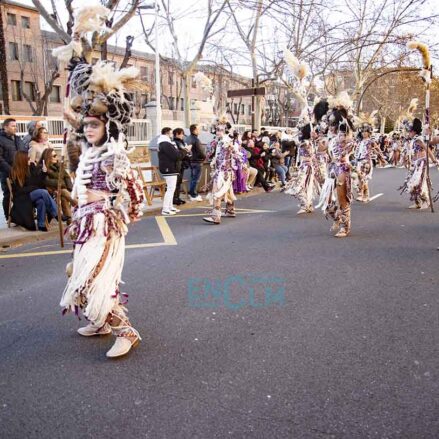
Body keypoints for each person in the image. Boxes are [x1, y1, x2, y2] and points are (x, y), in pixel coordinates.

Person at [58, 53, 145, 359]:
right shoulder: (89, 151)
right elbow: (73, 125)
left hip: (102, 225)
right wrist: (76, 74)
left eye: (94, 124)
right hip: (85, 223)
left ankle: (126, 331)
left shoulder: (112, 154)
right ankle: (100, 321)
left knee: (93, 279)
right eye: (87, 125)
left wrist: (124, 212)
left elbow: (135, 189)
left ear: (108, 127)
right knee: (76, 273)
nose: (88, 129)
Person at [317, 93, 357, 238]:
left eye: (333, 123)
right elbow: (322, 152)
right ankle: (337, 218)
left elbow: (352, 144)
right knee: (327, 201)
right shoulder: (329, 138)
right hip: (331, 170)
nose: (330, 126)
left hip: (342, 168)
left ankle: (345, 227)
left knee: (342, 199)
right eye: (329, 123)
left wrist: (345, 146)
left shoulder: (344, 135)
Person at [9, 151, 57, 231]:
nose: (30, 160)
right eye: (28, 159)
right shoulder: (14, 172)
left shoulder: (29, 169)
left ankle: (41, 224)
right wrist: (33, 188)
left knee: (41, 201)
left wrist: (43, 172)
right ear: (22, 160)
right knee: (43, 192)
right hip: (21, 197)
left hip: (30, 194)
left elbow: (37, 183)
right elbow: (19, 190)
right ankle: (56, 214)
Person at [203, 129, 243, 224]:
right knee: (228, 192)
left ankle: (215, 217)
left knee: (216, 193)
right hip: (225, 171)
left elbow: (237, 155)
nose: (217, 132)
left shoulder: (226, 142)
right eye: (217, 130)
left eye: (220, 130)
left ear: (226, 131)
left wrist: (241, 163)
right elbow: (210, 154)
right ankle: (230, 210)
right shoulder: (219, 141)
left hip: (222, 172)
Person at [158, 127, 191, 215]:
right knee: (170, 189)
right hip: (169, 169)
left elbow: (176, 154)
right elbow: (177, 156)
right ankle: (165, 209)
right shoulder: (165, 143)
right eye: (170, 133)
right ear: (167, 133)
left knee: (171, 189)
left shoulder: (166, 143)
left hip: (171, 169)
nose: (172, 135)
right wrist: (186, 149)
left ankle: (170, 207)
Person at [399, 118, 430, 209]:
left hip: (421, 163)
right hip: (415, 163)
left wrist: (434, 160)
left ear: (414, 131)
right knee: (410, 183)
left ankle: (426, 201)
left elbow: (427, 149)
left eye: (410, 131)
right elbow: (411, 152)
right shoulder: (412, 140)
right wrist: (406, 160)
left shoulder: (418, 139)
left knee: (417, 183)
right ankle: (417, 202)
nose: (408, 133)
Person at [40, 148, 76, 224]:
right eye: (54, 156)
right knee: (64, 192)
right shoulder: (44, 167)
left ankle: (70, 222)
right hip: (51, 190)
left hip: (62, 189)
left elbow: (67, 176)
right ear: (48, 157)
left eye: (56, 155)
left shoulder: (59, 165)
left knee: (63, 198)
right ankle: (78, 204)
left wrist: (69, 188)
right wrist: (61, 184)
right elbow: (47, 181)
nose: (56, 157)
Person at [0, 118, 25, 221]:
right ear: (5, 127)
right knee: (8, 194)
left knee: (20, 194)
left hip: (21, 172)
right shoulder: (1, 139)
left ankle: (19, 216)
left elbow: (23, 153)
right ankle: (8, 217)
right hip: (7, 173)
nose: (15, 128)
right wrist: (11, 170)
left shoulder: (18, 139)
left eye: (16, 126)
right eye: (13, 126)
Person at [186, 124, 206, 201]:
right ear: (194, 130)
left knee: (192, 178)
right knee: (196, 179)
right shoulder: (195, 140)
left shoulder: (188, 138)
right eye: (198, 129)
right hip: (197, 161)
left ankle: (191, 193)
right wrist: (204, 157)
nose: (199, 130)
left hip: (191, 161)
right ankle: (193, 195)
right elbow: (201, 151)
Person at [173, 127, 191, 206]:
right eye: (182, 134)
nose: (183, 135)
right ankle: (175, 198)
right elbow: (181, 153)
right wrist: (187, 150)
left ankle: (177, 197)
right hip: (178, 165)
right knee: (176, 182)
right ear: (177, 134)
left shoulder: (181, 142)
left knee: (179, 182)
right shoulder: (176, 142)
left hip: (181, 164)